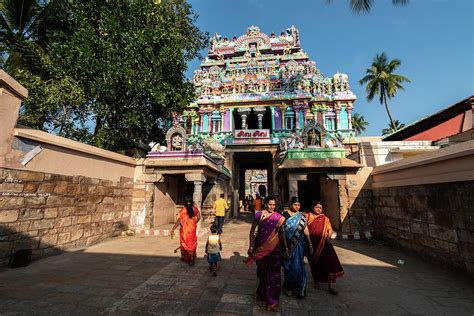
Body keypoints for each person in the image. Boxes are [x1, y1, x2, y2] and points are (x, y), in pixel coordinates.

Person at [244, 196, 287, 312]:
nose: (272, 207)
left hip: (275, 248)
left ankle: (272, 300)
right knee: (262, 273)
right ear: (265, 204)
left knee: (274, 273)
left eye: (273, 205)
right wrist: (251, 245)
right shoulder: (259, 215)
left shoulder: (279, 218)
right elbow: (252, 230)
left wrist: (286, 247)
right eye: (270, 204)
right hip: (261, 247)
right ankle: (263, 296)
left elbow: (282, 234)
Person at [305, 201, 344, 295]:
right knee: (315, 264)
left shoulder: (325, 218)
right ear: (313, 207)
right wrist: (309, 243)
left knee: (329, 264)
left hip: (324, 245)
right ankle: (316, 281)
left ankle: (331, 286)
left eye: (320, 208)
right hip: (312, 245)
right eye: (317, 207)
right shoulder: (307, 216)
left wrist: (329, 235)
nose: (319, 209)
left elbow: (330, 229)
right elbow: (305, 229)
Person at [282, 197, 313, 298]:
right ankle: (289, 287)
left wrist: (310, 243)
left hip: (299, 245)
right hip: (287, 244)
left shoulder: (302, 216)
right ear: (291, 204)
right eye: (295, 204)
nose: (297, 207)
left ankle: (298, 287)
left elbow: (305, 229)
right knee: (288, 266)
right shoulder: (284, 215)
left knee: (298, 266)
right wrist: (285, 246)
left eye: (298, 205)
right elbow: (281, 231)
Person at [170, 197, 201, 266]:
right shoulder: (195, 209)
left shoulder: (183, 210)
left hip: (185, 230)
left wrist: (173, 229)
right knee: (192, 243)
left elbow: (179, 220)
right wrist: (194, 223)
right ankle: (191, 258)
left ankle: (187, 258)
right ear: (192, 202)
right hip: (192, 229)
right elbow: (199, 217)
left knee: (184, 243)